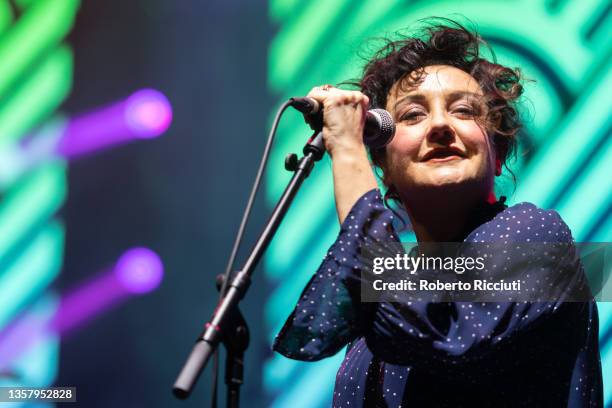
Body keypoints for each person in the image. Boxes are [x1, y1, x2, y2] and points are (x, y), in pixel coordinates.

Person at [273, 20, 603, 407]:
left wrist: (346, 150)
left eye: (464, 111)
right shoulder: (384, 303)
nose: (441, 125)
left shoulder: (538, 235)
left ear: (497, 156)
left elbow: (445, 335)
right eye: (413, 115)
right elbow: (331, 324)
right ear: (384, 168)